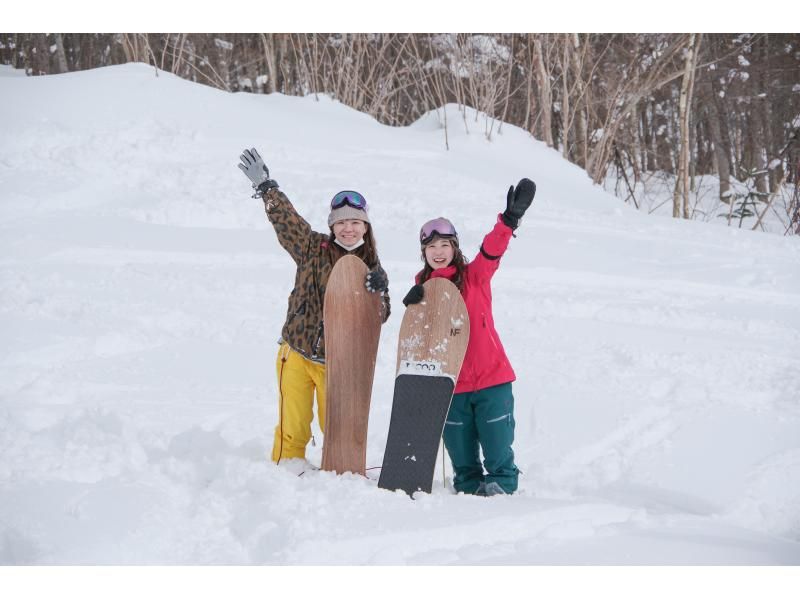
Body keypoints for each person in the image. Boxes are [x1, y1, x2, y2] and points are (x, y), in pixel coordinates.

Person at [238, 148, 391, 464]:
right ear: (332, 226)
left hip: (336, 363)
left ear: (365, 227)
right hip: (294, 353)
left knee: (336, 432)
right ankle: (283, 475)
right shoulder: (312, 248)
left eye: (354, 222)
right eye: (341, 223)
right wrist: (267, 188)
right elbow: (287, 223)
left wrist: (379, 293)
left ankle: (338, 486)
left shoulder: (371, 266)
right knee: (292, 430)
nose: (347, 229)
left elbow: (381, 315)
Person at [402, 179, 536, 496]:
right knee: (463, 464)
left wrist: (508, 221)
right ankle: (465, 505)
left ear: (454, 248)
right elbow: (417, 343)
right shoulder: (423, 290)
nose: (438, 251)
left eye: (444, 245)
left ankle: (503, 499)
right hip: (451, 386)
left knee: (498, 451)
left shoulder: (475, 276)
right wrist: (414, 311)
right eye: (431, 246)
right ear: (424, 252)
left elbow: (491, 251)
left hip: (492, 379)